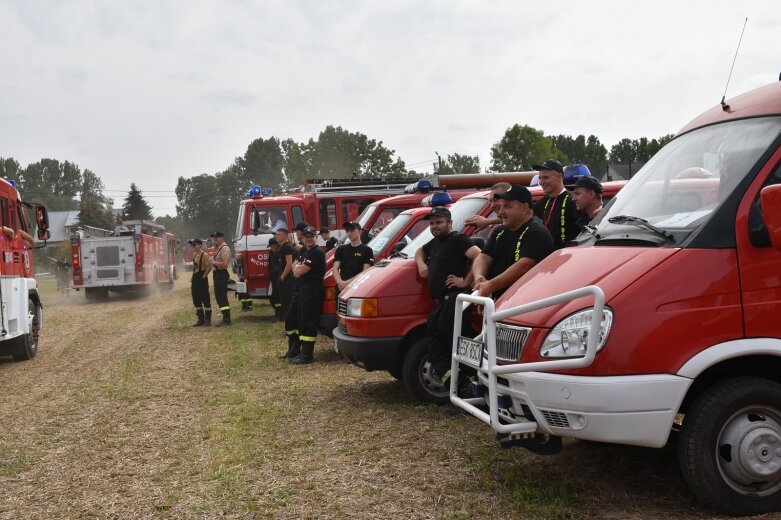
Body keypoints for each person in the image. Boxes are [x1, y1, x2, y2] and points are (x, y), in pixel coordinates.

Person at [415, 207, 481, 389]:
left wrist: (465, 281)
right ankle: (462, 387)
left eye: (439, 222)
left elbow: (479, 256)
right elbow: (420, 251)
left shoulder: (458, 240)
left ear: (450, 223)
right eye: (431, 223)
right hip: (440, 305)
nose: (434, 226)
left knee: (456, 349)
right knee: (437, 350)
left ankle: (469, 390)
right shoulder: (436, 242)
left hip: (454, 302)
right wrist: (421, 264)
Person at [473, 185, 554, 299]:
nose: (500, 213)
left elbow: (523, 267)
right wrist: (478, 277)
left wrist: (490, 286)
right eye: (501, 206)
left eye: (507, 206)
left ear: (524, 208)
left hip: (523, 305)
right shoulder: (499, 231)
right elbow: (483, 258)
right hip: (499, 302)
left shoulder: (537, 233)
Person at [281, 226, 326, 365]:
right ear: (303, 238)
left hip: (312, 290)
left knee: (307, 322)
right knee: (292, 318)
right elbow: (295, 266)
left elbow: (298, 271)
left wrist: (297, 267)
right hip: (300, 289)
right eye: (306, 236)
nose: (308, 238)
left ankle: (307, 355)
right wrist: (297, 267)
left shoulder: (316, 253)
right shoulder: (304, 251)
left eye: (311, 236)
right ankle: (294, 350)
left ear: (315, 237)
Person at [532, 159, 580, 249]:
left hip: (568, 256)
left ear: (559, 177)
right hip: (549, 257)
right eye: (540, 178)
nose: (541, 182)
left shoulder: (573, 200)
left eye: (545, 177)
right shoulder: (542, 202)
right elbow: (523, 215)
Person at [333, 221, 374, 291]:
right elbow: (335, 269)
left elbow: (365, 272)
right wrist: (340, 283)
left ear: (360, 232)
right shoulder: (341, 249)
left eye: (352, 231)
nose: (349, 233)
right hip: (341, 288)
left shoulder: (367, 250)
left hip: (357, 288)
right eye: (348, 231)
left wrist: (347, 283)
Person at [210, 231, 233, 326]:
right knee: (219, 297)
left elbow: (225, 263)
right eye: (214, 238)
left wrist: (213, 262)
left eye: (217, 237)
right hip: (217, 274)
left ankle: (227, 319)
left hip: (221, 274)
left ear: (222, 237)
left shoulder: (224, 248)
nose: (215, 239)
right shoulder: (219, 248)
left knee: (221, 297)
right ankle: (225, 317)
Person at [189, 238, 212, 326]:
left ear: (199, 245)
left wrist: (203, 277)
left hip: (201, 277)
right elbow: (195, 267)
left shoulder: (204, 254)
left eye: (194, 245)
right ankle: (200, 319)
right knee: (196, 298)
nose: (193, 247)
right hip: (195, 277)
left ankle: (207, 319)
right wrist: (192, 278)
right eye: (192, 245)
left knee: (205, 298)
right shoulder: (195, 255)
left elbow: (208, 267)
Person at [276, 228, 295, 322]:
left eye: (279, 234)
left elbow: (289, 264)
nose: (277, 236)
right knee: (284, 303)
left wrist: (282, 277)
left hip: (287, 280)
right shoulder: (283, 247)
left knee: (288, 303)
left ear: (285, 236)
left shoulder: (287, 247)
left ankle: (291, 325)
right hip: (284, 279)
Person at [267, 237, 284, 321]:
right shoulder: (271, 252)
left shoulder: (281, 252)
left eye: (271, 246)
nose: (271, 248)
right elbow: (270, 265)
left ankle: (281, 314)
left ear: (275, 245)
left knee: (280, 296)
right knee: (274, 297)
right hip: (274, 277)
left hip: (280, 277)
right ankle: (278, 313)